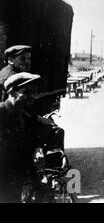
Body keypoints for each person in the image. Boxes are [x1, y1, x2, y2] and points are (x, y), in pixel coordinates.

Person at [0, 73, 60, 202]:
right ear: (12, 93)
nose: (32, 96)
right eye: (27, 92)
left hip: (15, 180)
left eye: (34, 91)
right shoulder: (2, 113)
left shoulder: (22, 115)